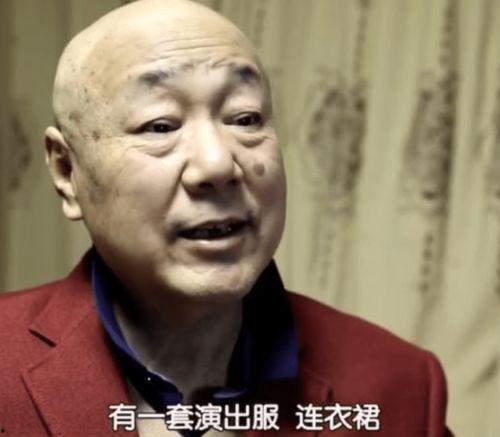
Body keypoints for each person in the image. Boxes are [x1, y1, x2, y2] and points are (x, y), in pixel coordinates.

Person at [0, 0, 453, 436]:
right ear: (67, 171)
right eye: (161, 126)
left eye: (245, 118)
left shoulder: (400, 387)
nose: (218, 165)